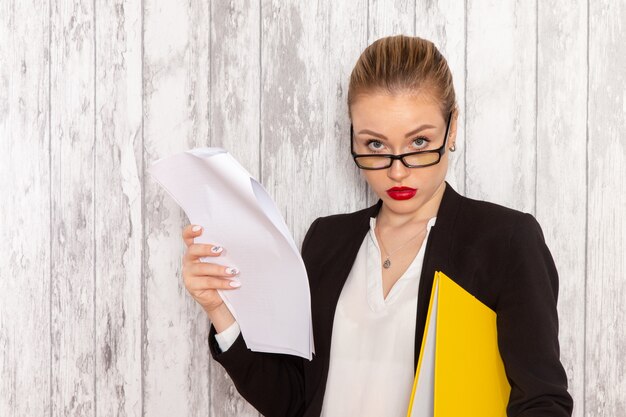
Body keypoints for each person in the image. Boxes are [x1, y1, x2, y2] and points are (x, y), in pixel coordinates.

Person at [181, 35, 574, 417]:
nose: (397, 170)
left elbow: (542, 402)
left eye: (419, 142)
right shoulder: (326, 240)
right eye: (375, 145)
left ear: (452, 128)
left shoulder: (504, 241)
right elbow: (293, 401)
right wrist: (219, 308)